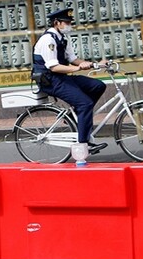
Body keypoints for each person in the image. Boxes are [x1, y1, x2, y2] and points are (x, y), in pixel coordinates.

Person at [32, 8, 108, 154]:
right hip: (49, 81)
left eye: (70, 22)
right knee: (85, 103)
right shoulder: (48, 40)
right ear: (56, 23)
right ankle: (84, 144)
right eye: (66, 22)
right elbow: (53, 67)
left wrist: (95, 64)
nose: (69, 25)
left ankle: (76, 115)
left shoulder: (63, 38)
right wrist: (77, 68)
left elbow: (72, 59)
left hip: (61, 78)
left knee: (98, 86)